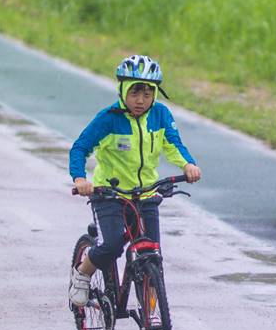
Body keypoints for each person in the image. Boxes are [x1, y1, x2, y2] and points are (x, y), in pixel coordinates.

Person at [68, 54, 201, 306]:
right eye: (134, 92)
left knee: (153, 252)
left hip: (146, 193)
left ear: (155, 94)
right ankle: (82, 274)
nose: (141, 100)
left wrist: (188, 164)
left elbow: (173, 144)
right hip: (110, 195)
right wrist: (80, 178)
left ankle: (152, 306)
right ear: (123, 90)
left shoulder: (160, 114)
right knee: (112, 246)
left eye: (148, 94)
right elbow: (80, 148)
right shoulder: (108, 119)